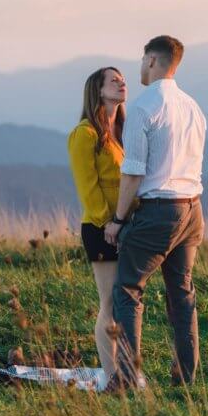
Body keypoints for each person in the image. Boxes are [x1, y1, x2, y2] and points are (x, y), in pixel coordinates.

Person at [105, 35, 206, 389]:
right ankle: (185, 375)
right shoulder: (194, 107)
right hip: (193, 210)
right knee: (182, 292)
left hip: (159, 211)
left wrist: (118, 220)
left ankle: (127, 378)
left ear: (151, 60)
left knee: (129, 289)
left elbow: (133, 171)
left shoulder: (145, 106)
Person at [67, 66, 128, 382]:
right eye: (114, 81)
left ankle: (124, 369)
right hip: (101, 228)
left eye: (123, 80)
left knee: (122, 301)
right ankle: (111, 373)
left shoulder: (119, 132)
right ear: (98, 90)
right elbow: (88, 187)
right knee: (108, 302)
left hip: (123, 227)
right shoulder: (84, 134)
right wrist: (110, 223)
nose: (122, 84)